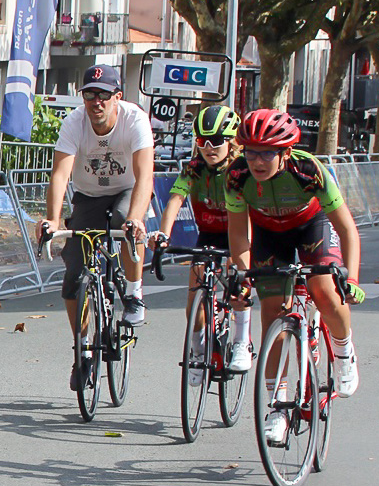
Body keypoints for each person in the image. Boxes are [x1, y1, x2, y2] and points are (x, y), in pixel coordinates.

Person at [225, 109, 364, 442]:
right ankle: (277, 406)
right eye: (250, 151)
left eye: (266, 153)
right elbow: (239, 236)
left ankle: (344, 351)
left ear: (285, 152)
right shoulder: (236, 175)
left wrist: (353, 278)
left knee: (325, 291)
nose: (257, 161)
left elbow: (346, 228)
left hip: (311, 227)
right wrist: (243, 276)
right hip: (269, 234)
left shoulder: (309, 171)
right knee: (272, 315)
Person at [38, 64, 154, 391]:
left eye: (104, 95)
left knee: (125, 223)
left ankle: (133, 293)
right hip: (88, 196)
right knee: (73, 278)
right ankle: (83, 349)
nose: (96, 102)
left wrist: (137, 217)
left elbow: (145, 174)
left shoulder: (134, 120)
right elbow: (60, 174)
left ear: (118, 97)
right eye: (90, 94)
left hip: (126, 191)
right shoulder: (74, 122)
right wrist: (53, 219)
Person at [149, 104, 254, 378]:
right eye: (201, 141)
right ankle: (197, 350)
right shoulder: (194, 169)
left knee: (239, 287)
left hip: (239, 233)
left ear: (231, 142)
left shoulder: (243, 170)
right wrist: (163, 234)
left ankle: (242, 341)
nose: (209, 147)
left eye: (216, 140)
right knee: (194, 297)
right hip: (208, 234)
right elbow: (175, 200)